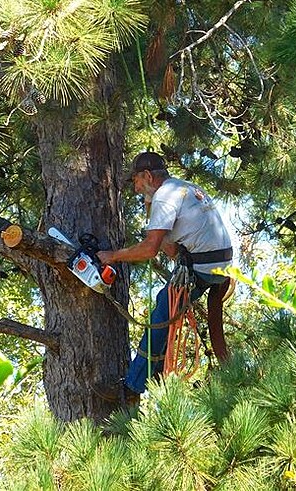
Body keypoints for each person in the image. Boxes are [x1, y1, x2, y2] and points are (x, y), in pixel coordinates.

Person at [96, 151, 233, 402]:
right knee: (167, 306)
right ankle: (157, 370)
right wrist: (150, 209)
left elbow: (150, 249)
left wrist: (112, 256)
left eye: (136, 181)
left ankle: (132, 388)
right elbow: (169, 248)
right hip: (220, 266)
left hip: (203, 268)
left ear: (147, 176)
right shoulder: (185, 188)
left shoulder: (164, 196)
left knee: (162, 312)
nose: (136, 189)